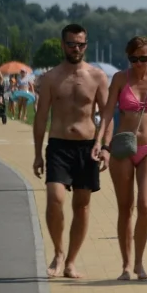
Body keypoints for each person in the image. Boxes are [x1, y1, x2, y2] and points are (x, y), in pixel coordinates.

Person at [32, 23, 113, 279]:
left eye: (80, 44)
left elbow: (108, 115)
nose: (76, 48)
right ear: (62, 44)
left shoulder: (97, 76)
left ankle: (71, 262)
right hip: (58, 145)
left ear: (86, 45)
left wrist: (105, 146)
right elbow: (41, 116)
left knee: (82, 205)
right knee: (55, 199)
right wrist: (37, 153)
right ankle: (58, 252)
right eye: (71, 43)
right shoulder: (51, 78)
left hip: (88, 148)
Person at [95, 36, 147, 281]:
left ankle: (140, 262)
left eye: (142, 59)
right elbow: (107, 112)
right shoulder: (120, 78)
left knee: (145, 206)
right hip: (122, 147)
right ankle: (126, 265)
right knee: (125, 208)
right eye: (133, 59)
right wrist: (100, 142)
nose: (138, 64)